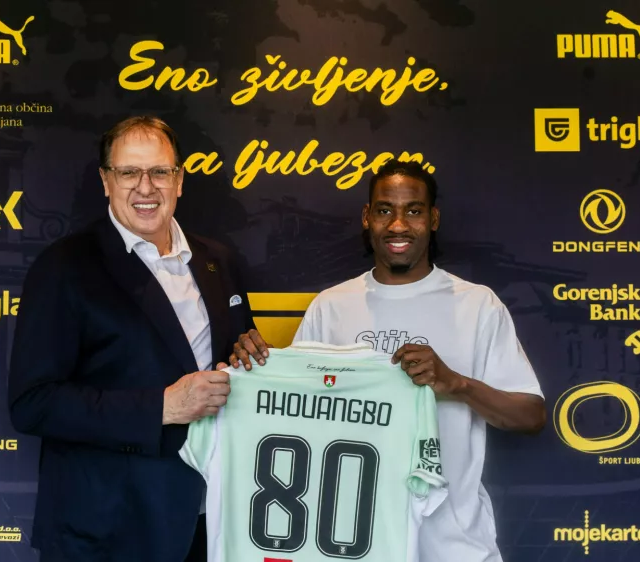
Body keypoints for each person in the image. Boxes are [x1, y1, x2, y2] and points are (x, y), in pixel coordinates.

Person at [229, 159, 546, 562]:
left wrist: (455, 383)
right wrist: (257, 370)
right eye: (384, 210)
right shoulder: (331, 307)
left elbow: (531, 416)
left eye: (413, 210)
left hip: (454, 547)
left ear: (433, 219)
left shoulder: (477, 305)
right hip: (353, 546)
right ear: (367, 218)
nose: (398, 225)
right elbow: (294, 424)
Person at [9, 116, 255, 562]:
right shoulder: (64, 267)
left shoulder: (219, 261)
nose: (146, 187)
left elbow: (230, 360)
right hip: (106, 532)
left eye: (160, 172)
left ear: (179, 180)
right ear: (106, 180)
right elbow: (33, 403)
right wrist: (162, 407)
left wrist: (247, 357)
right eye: (128, 172)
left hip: (207, 524)